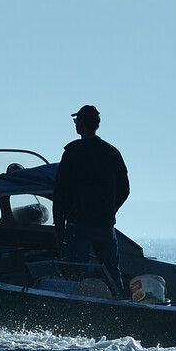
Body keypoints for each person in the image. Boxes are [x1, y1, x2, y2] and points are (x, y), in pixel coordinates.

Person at [54, 104, 130, 297]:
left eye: (76, 121)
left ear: (81, 123)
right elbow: (124, 189)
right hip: (104, 224)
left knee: (75, 273)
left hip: (78, 224)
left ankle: (73, 309)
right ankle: (119, 305)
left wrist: (59, 224)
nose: (75, 124)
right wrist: (109, 211)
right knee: (112, 272)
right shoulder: (112, 152)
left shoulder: (72, 152)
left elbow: (61, 191)